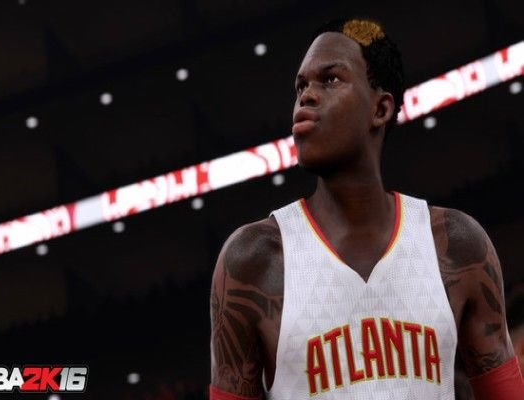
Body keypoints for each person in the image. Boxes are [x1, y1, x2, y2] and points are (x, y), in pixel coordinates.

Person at [209, 18, 524, 400]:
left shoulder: (457, 244)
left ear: (381, 108)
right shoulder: (252, 260)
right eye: (301, 86)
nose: (307, 97)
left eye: (330, 79)